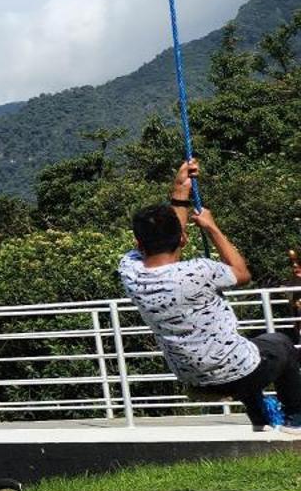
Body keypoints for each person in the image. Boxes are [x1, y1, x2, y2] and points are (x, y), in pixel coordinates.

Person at [119, 159, 301, 433]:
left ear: (138, 244)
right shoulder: (200, 271)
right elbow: (241, 274)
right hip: (237, 374)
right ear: (183, 239)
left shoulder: (130, 272)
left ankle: (261, 422)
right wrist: (212, 227)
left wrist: (181, 193)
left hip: (192, 379)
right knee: (281, 344)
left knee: (248, 348)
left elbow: (169, 243)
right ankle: (296, 419)